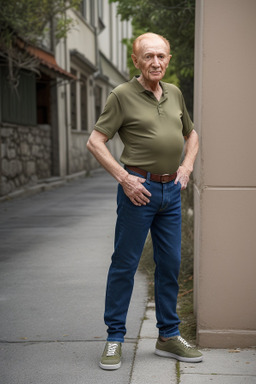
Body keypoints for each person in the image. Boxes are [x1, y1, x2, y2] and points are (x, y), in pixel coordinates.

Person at [87, 32, 202, 370]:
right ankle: (115, 338)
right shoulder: (121, 95)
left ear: (168, 59)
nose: (156, 62)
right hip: (139, 191)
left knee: (170, 264)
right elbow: (95, 141)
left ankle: (167, 336)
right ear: (135, 60)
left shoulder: (175, 94)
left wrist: (187, 166)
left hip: (171, 193)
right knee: (124, 264)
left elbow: (191, 134)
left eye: (162, 56)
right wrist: (123, 178)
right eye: (149, 56)